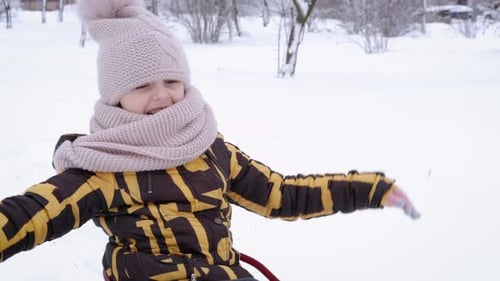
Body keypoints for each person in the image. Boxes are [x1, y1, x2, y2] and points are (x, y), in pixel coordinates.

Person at [0, 0, 421, 280]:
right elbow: (32, 213)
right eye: (143, 84)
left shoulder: (209, 149)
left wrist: (369, 190)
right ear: (115, 95)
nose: (162, 95)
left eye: (171, 80)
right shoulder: (105, 166)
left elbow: (280, 195)